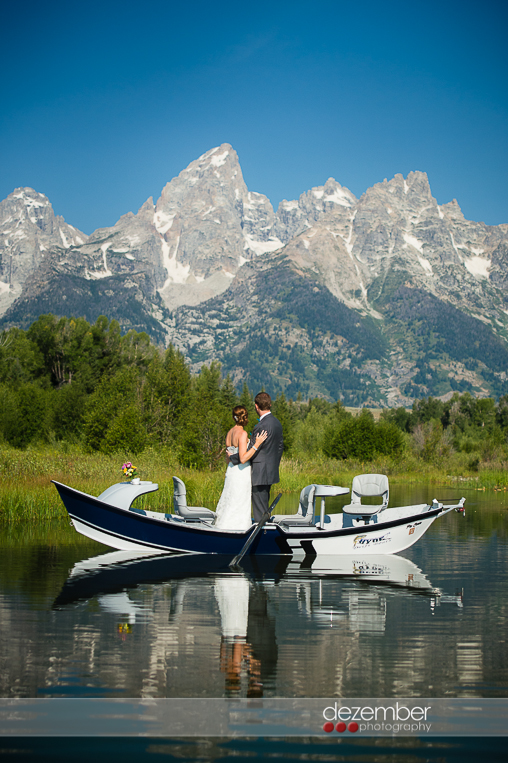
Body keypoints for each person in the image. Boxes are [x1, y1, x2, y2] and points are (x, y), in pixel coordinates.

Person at [229, 392, 284, 522]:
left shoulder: (260, 426)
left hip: (259, 473)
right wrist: (273, 465)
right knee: (264, 507)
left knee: (260, 512)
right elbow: (280, 448)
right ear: (269, 404)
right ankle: (266, 530)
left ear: (256, 406)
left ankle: (263, 535)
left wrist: (232, 457)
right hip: (270, 471)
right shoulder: (277, 423)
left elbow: (249, 451)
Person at [213, 405, 267, 530]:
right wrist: (257, 444)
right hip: (241, 472)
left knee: (230, 498)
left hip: (231, 470)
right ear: (245, 418)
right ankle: (239, 528)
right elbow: (243, 458)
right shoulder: (242, 434)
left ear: (234, 417)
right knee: (239, 500)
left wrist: (233, 456)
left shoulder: (229, 433)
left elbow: (228, 459)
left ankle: (223, 526)